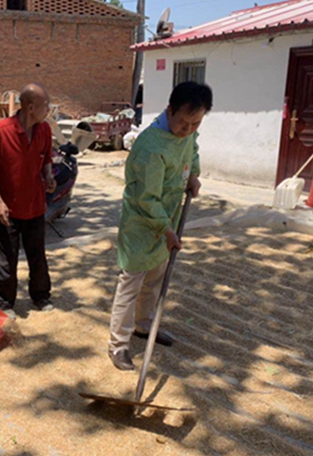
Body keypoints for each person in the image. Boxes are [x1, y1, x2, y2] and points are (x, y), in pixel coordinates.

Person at [108, 81, 213, 371]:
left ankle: (143, 326)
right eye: (183, 122)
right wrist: (166, 230)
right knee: (132, 283)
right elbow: (146, 198)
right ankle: (118, 345)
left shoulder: (188, 132)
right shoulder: (150, 148)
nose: (188, 129)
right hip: (143, 224)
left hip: (169, 215)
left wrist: (193, 175)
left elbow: (191, 150)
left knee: (155, 278)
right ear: (169, 110)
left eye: (195, 123)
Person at [0, 83, 57, 319]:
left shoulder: (44, 130)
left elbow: (46, 158)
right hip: (7, 208)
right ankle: (4, 301)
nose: (49, 109)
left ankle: (40, 295)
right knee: (7, 258)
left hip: (35, 205)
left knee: (37, 255)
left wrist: (48, 176)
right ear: (31, 107)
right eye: (46, 105)